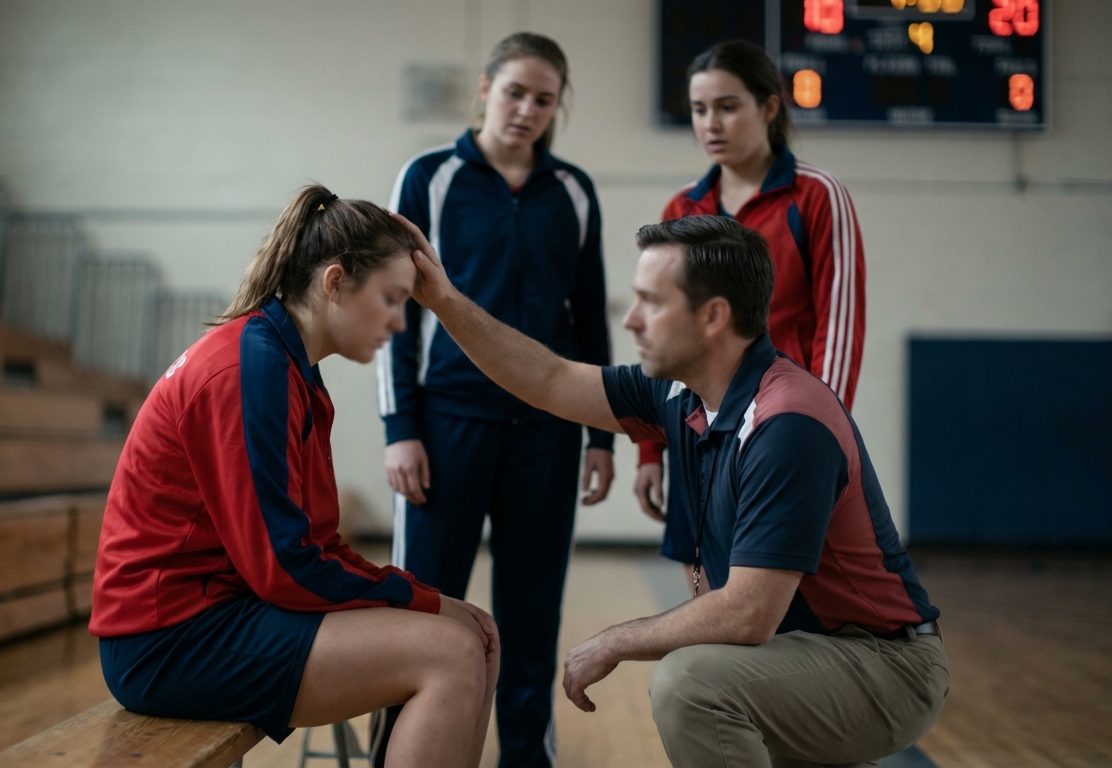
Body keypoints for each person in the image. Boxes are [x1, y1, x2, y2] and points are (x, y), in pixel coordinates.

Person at [396, 210, 947, 768]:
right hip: (802, 653)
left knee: (693, 684)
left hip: (883, 663)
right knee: (706, 673)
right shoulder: (679, 393)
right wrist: (443, 300)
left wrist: (614, 639)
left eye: (651, 302)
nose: (631, 320)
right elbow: (549, 379)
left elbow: (746, 615)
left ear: (713, 316)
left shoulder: (787, 423)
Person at [89, 185, 500, 768]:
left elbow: (316, 545)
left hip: (221, 613)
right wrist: (421, 600)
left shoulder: (287, 365)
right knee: (452, 652)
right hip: (167, 640)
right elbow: (282, 568)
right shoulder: (247, 366)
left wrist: (424, 601)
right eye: (391, 299)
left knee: (479, 638)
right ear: (335, 282)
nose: (399, 325)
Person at [375, 32, 613, 768]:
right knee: (418, 612)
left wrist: (602, 436)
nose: (527, 110)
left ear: (557, 107)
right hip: (446, 431)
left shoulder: (574, 191)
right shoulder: (428, 178)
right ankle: (401, 755)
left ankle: (525, 760)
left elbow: (592, 319)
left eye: (544, 100)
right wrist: (400, 428)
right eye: (515, 92)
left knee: (531, 618)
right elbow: (395, 311)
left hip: (548, 434)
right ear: (485, 88)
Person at [633, 40, 867, 595]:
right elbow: (664, 333)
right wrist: (650, 448)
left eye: (727, 106)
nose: (710, 123)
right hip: (698, 438)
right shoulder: (681, 211)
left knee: (776, 599)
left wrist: (811, 438)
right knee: (706, 602)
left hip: (781, 434)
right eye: (698, 109)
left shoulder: (817, 196)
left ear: (769, 107)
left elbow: (840, 329)